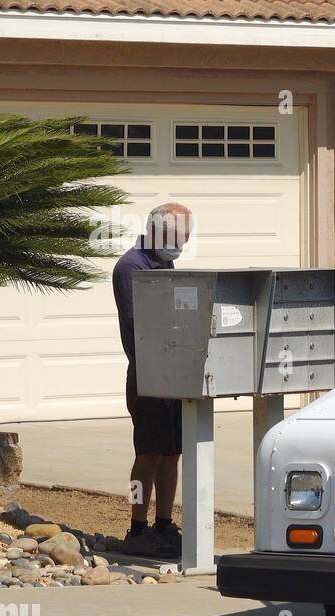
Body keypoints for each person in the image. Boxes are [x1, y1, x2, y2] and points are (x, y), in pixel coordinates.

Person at [112, 203, 193, 557]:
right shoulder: (131, 266)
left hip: (174, 374)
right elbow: (141, 323)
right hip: (147, 375)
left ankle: (163, 524)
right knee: (147, 455)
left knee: (172, 454)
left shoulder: (164, 262)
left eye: (185, 238)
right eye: (177, 237)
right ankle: (136, 527)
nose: (181, 245)